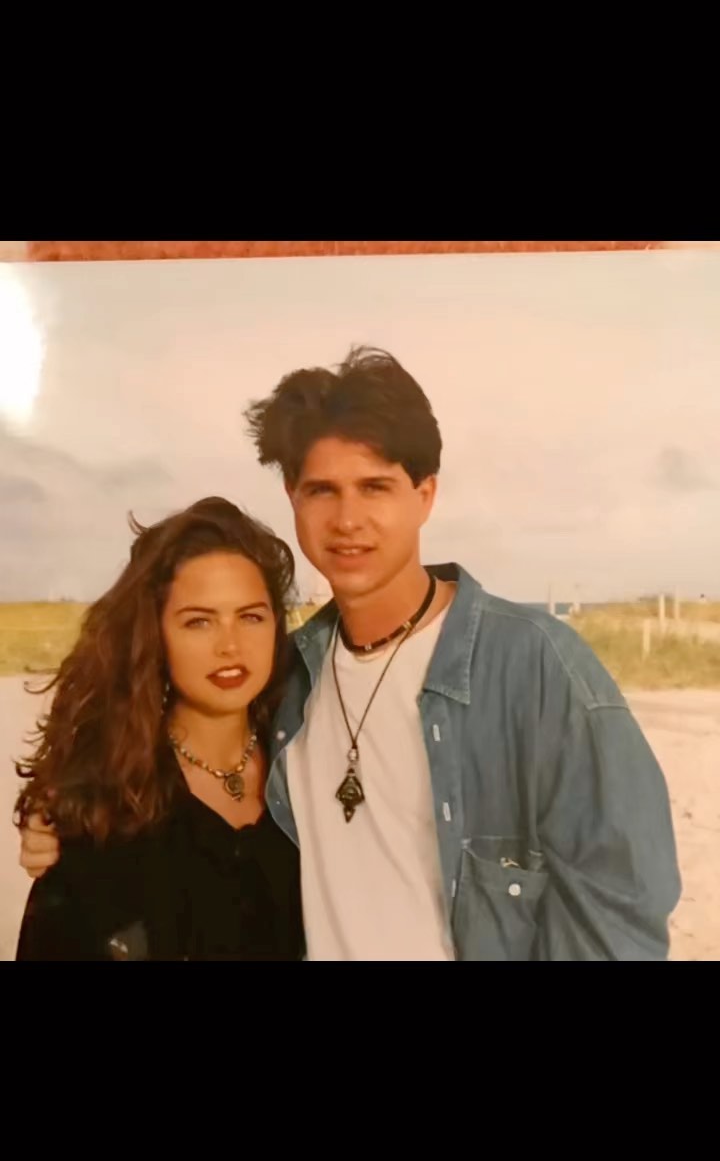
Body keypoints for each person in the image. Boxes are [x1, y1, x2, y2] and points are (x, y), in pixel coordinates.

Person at [20, 347, 682, 960]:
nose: (347, 520)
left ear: (425, 495)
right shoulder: (289, 678)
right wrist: (66, 821)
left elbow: (618, 914)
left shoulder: (534, 668)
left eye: (375, 487)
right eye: (322, 491)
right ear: (293, 498)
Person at [15, 497, 303, 961]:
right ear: (154, 632)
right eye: (199, 622)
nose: (230, 645)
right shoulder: (100, 806)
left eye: (250, 616)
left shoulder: (307, 769)